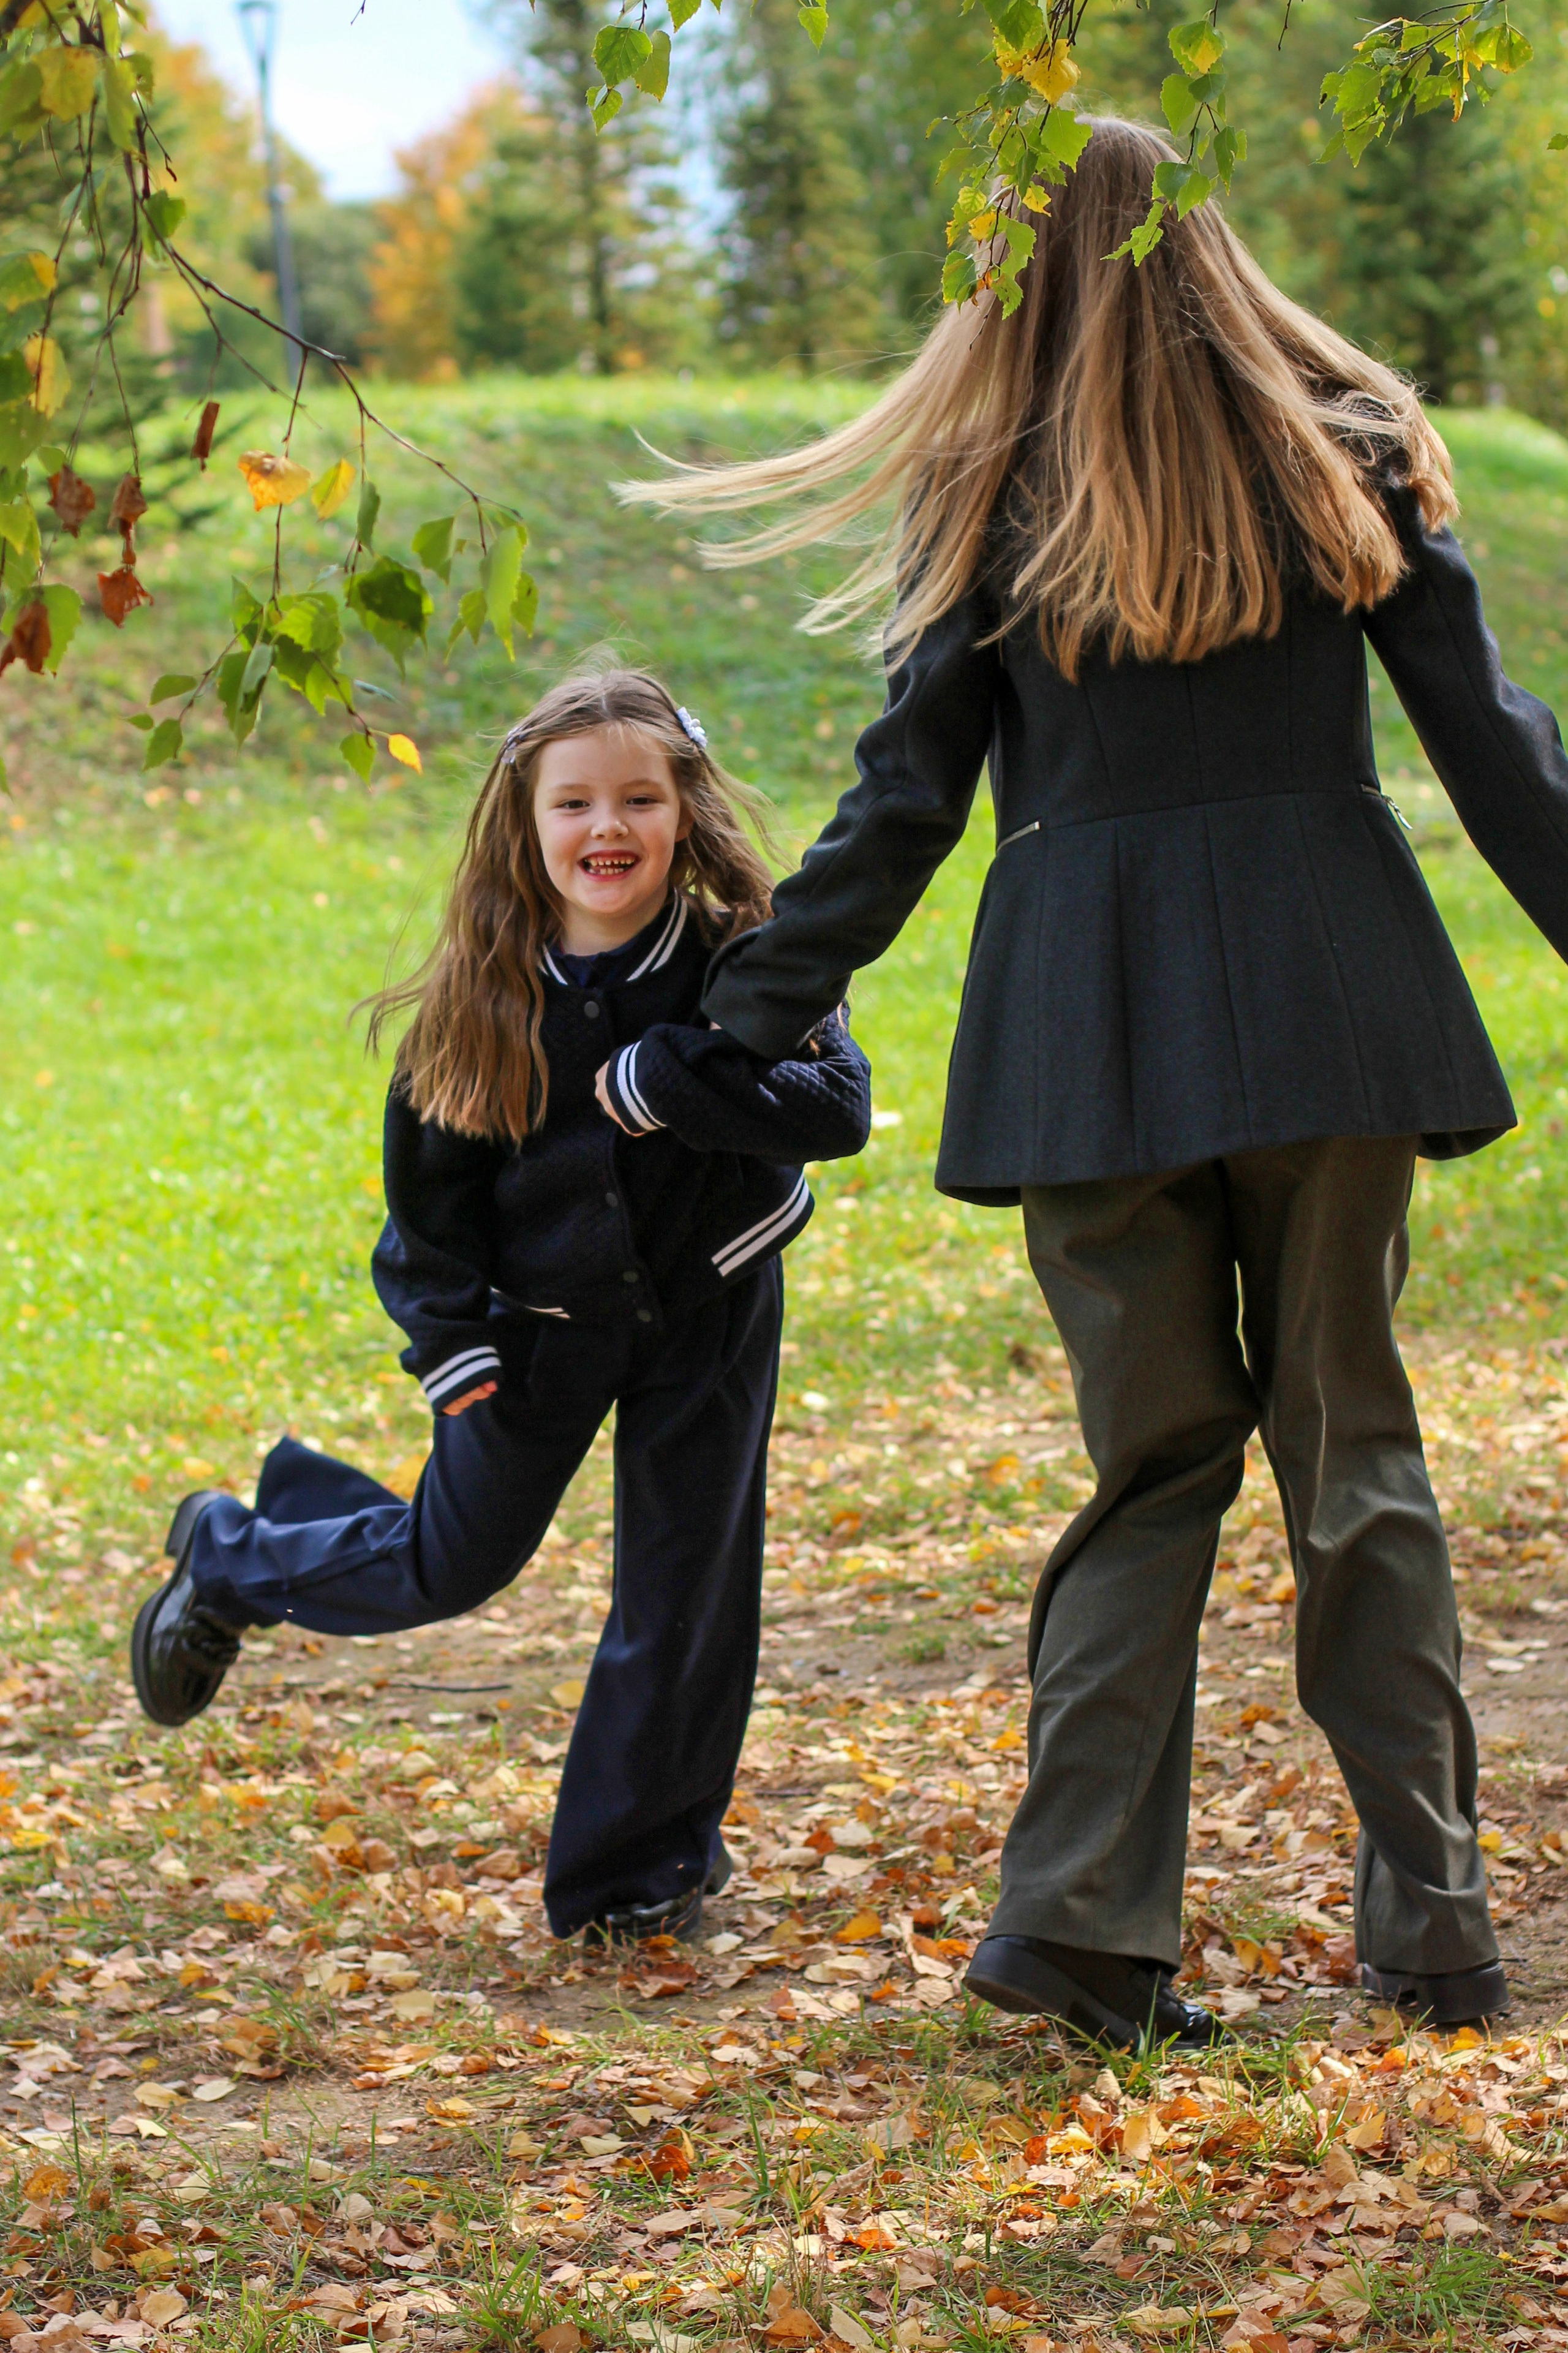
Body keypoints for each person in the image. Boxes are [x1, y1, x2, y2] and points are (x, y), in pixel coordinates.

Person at [621, 118, 1568, 2043]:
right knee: (1357, 1461)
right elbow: (1493, 740)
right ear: (1205, 239)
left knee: (1153, 1476)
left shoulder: (987, 485)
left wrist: (734, 1023)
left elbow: (902, 804)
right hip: (1331, 1008)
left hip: (1086, 1040)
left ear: (1024, 268)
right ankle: (1441, 1933)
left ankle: (1077, 1933)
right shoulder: (1348, 442)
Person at [130, 670, 871, 1946]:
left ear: (684, 809)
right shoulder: (481, 1000)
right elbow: (426, 1217)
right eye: (574, 802)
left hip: (712, 1301)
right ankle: (234, 1554)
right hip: (535, 1329)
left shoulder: (744, 958)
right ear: (525, 824)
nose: (608, 827)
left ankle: (638, 1874)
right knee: (451, 1561)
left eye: (639, 799)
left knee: (686, 1587)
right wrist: (450, 1339)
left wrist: (678, 1081)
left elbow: (837, 1110)